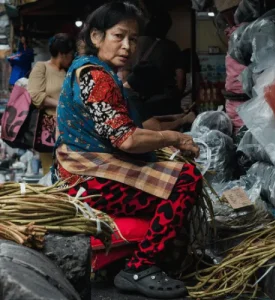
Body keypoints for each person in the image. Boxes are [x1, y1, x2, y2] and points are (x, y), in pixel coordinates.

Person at [54, 2, 202, 299]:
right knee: (186, 178)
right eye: (118, 36)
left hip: (80, 170)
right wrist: (173, 136)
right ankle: (139, 266)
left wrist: (164, 140)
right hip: (87, 178)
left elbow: (124, 128)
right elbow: (127, 140)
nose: (127, 46)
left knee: (169, 174)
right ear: (97, 36)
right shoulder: (97, 77)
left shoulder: (89, 68)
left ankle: (135, 257)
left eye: (133, 39)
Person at [27, 33, 76, 175]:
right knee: (52, 171)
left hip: (69, 128)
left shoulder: (68, 72)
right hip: (49, 129)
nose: (72, 57)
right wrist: (62, 104)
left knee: (69, 170)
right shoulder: (42, 67)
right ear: (62, 54)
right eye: (70, 54)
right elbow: (35, 95)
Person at [124, 10, 184, 116]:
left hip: (139, 100)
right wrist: (176, 96)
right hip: (165, 101)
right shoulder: (171, 46)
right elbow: (180, 78)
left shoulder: (136, 43)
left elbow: (124, 72)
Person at [123, 62, 196, 131]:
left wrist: (173, 117)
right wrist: (184, 120)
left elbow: (145, 119)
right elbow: (157, 128)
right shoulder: (131, 99)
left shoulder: (125, 92)